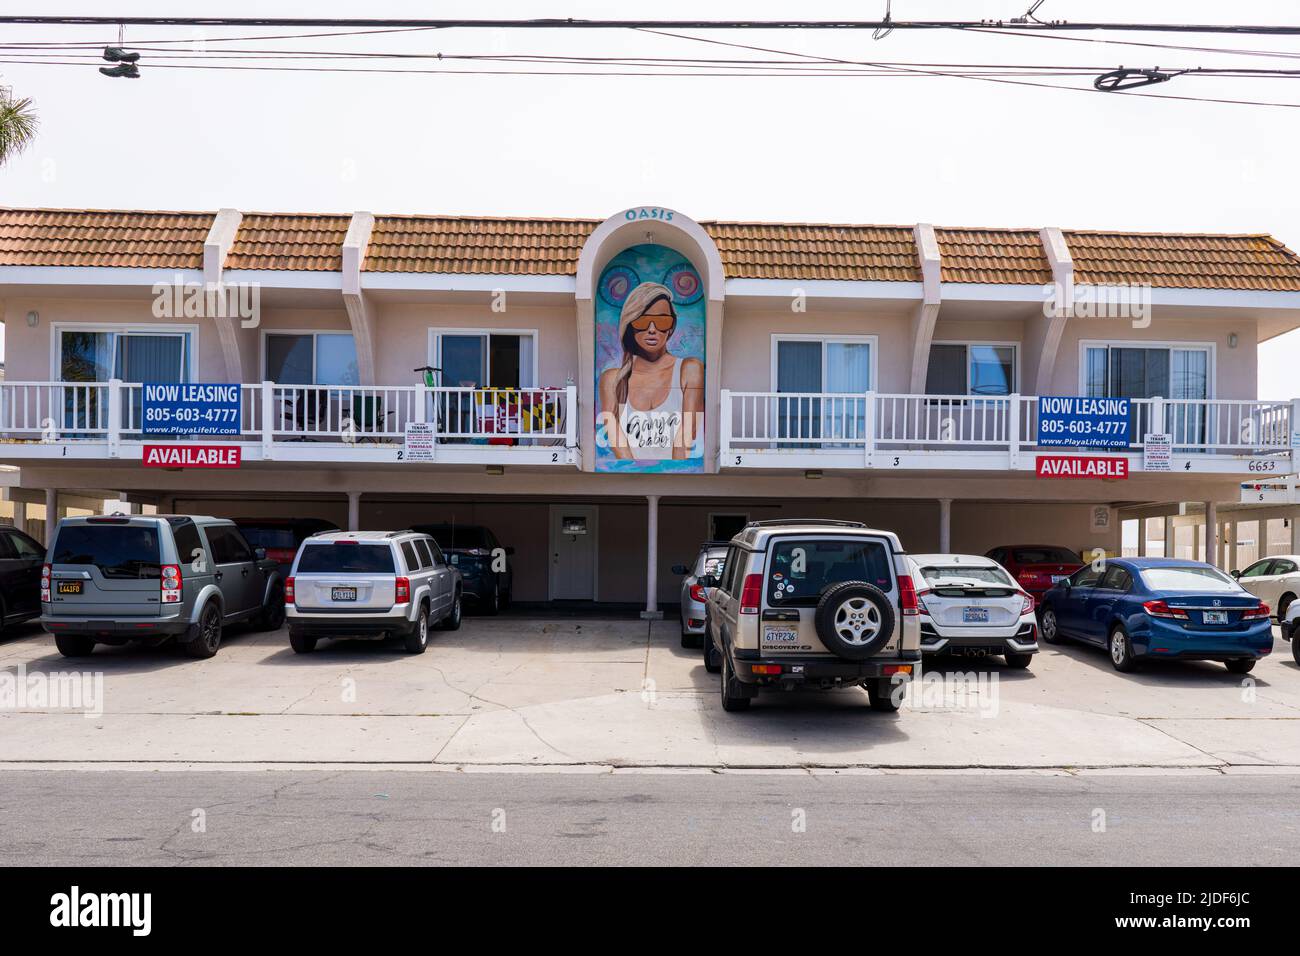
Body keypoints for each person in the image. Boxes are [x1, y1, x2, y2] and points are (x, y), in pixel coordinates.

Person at [598, 281, 703, 460]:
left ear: (671, 327)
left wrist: (676, 481)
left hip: (677, 481)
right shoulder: (612, 380)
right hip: (627, 483)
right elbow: (616, 440)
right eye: (643, 321)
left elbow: (687, 435)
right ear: (630, 325)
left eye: (662, 321)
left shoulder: (689, 370)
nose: (652, 329)